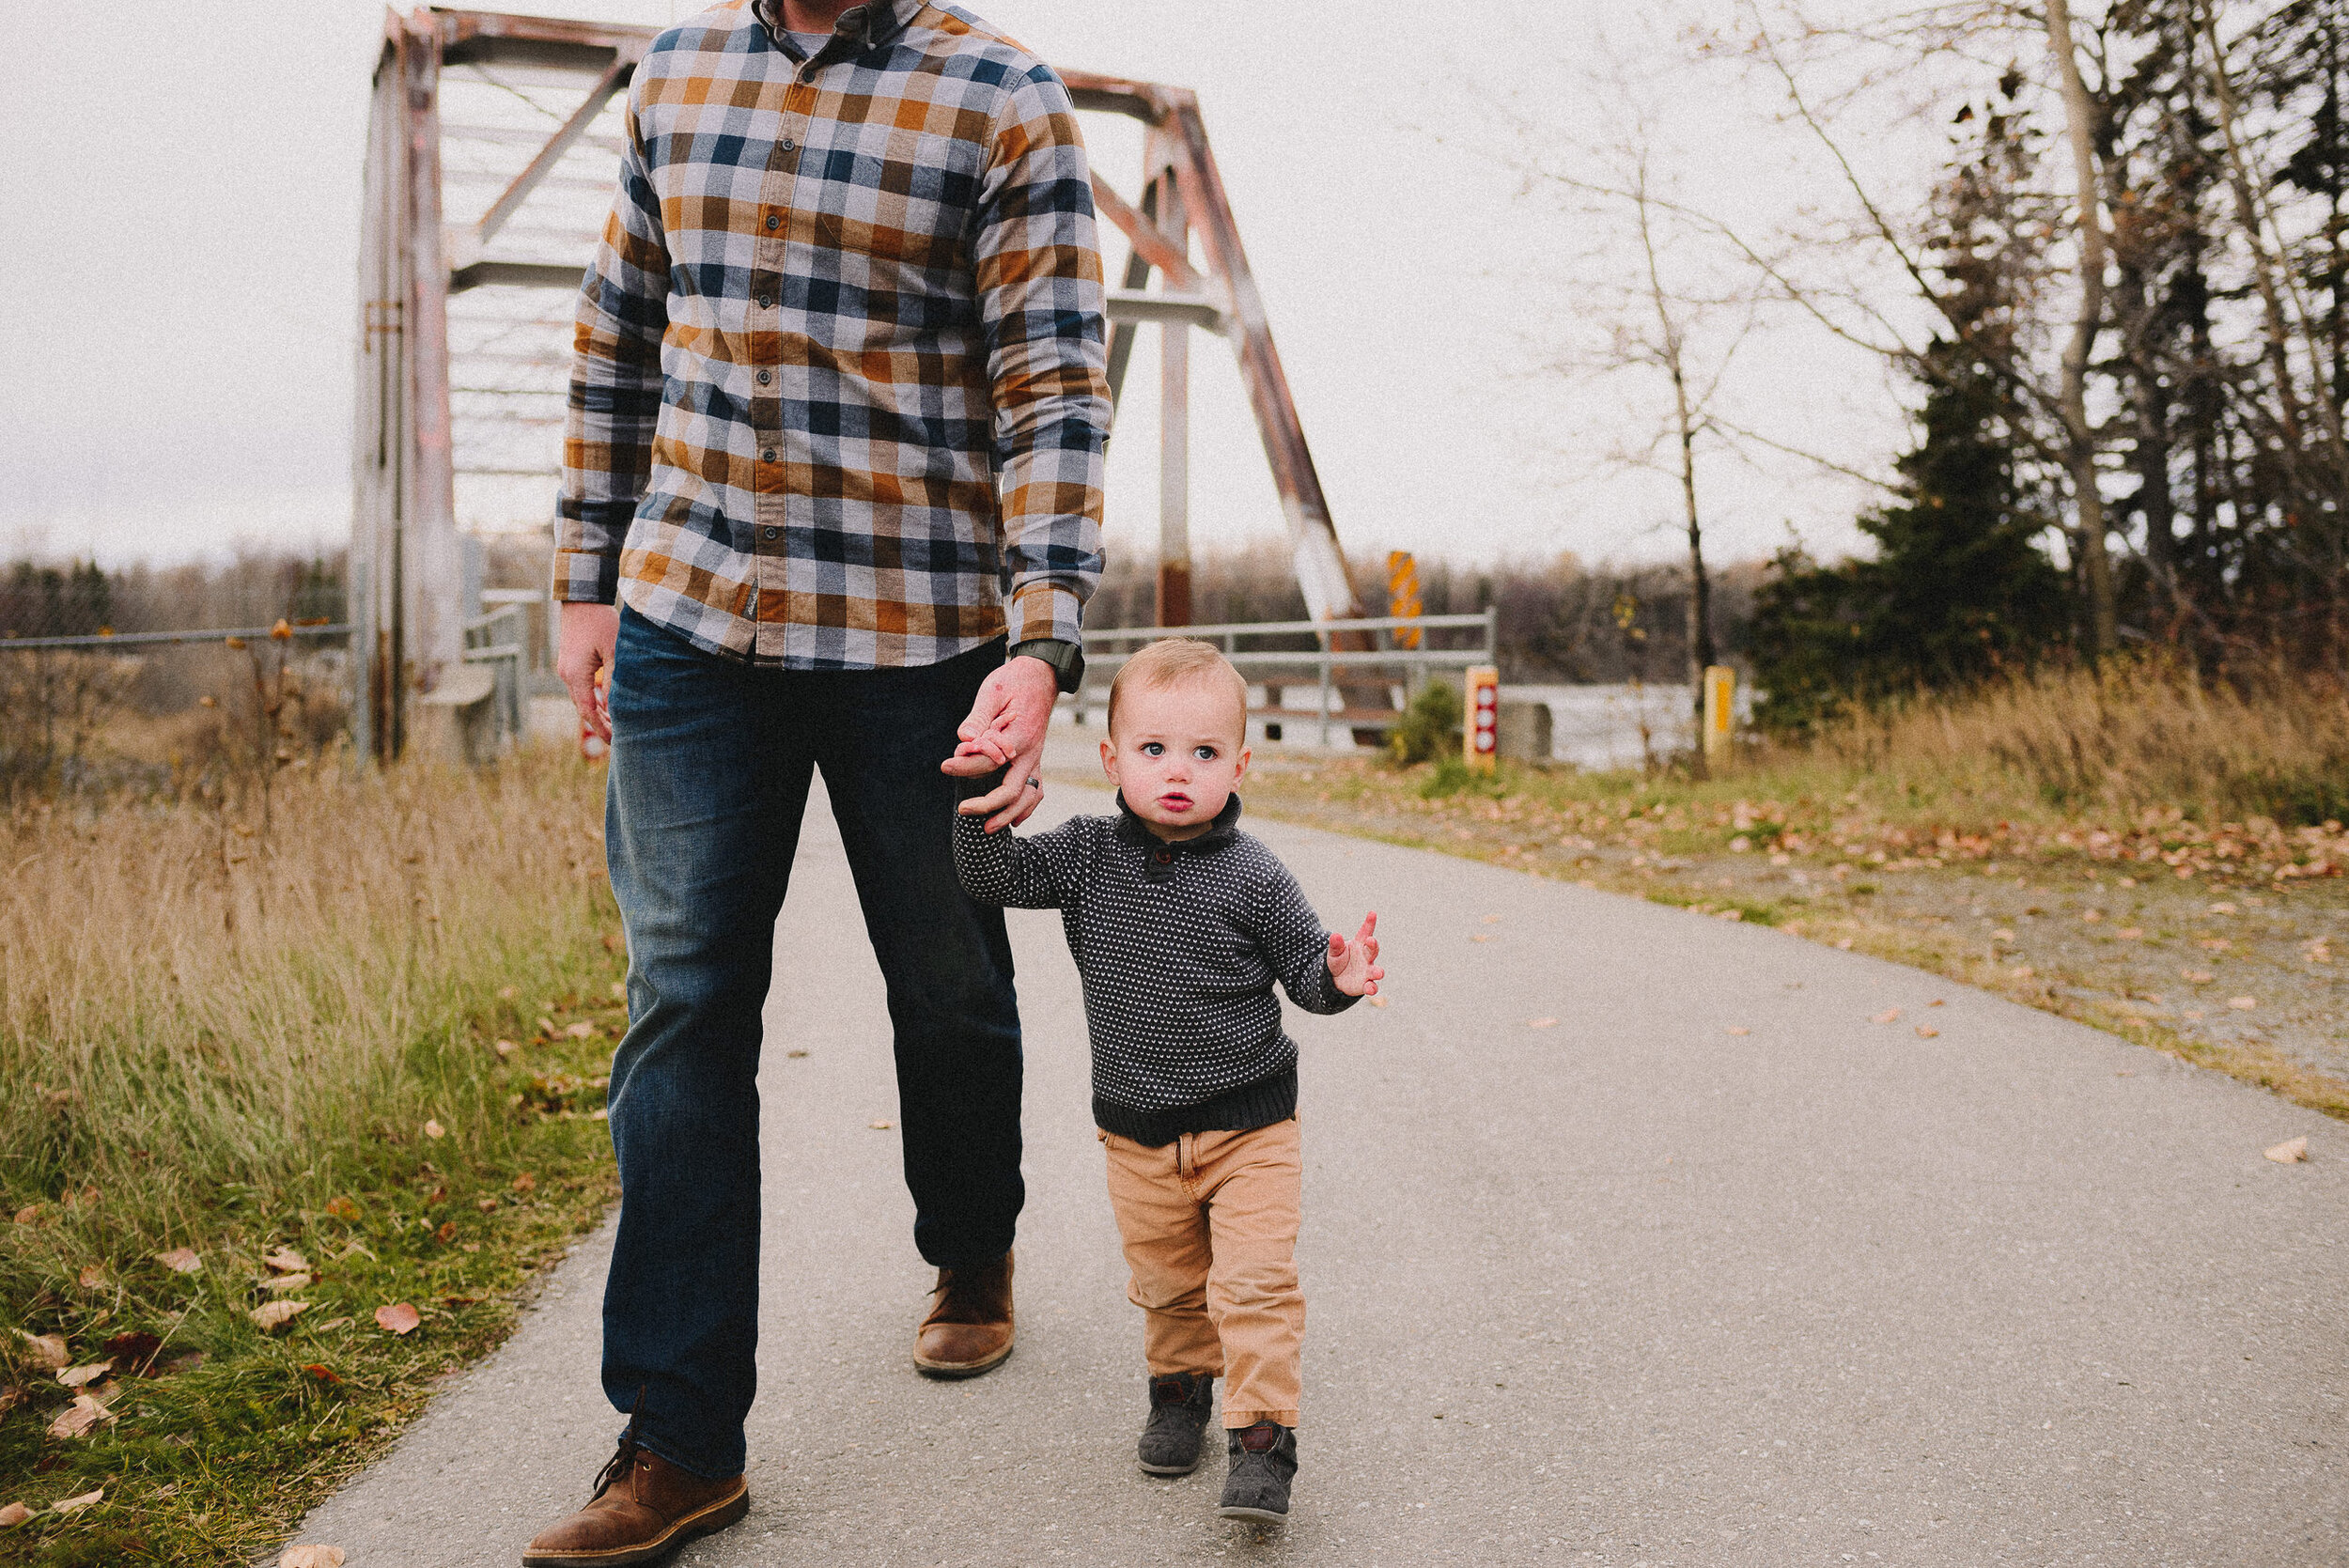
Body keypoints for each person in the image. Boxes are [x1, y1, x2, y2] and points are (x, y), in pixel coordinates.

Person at [525, 0, 1110, 1561]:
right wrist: (587, 573)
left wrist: (1043, 637)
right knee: (684, 995)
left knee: (948, 976)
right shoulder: (675, 65)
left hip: (918, 634)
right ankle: (680, 1433)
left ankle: (971, 1243)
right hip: (689, 620)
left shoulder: (1002, 98)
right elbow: (620, 326)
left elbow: (1053, 386)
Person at [952, 640, 1384, 1525]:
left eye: (1204, 753)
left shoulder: (1254, 874)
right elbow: (988, 874)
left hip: (1249, 1131)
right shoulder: (1081, 857)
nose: (1177, 772)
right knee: (1167, 1280)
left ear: (1239, 763)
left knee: (1254, 1283)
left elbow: (1304, 969)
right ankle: (1181, 1390)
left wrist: (1337, 978)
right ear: (1111, 760)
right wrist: (979, 797)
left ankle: (1263, 1438)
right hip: (1137, 1135)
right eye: (1153, 750)